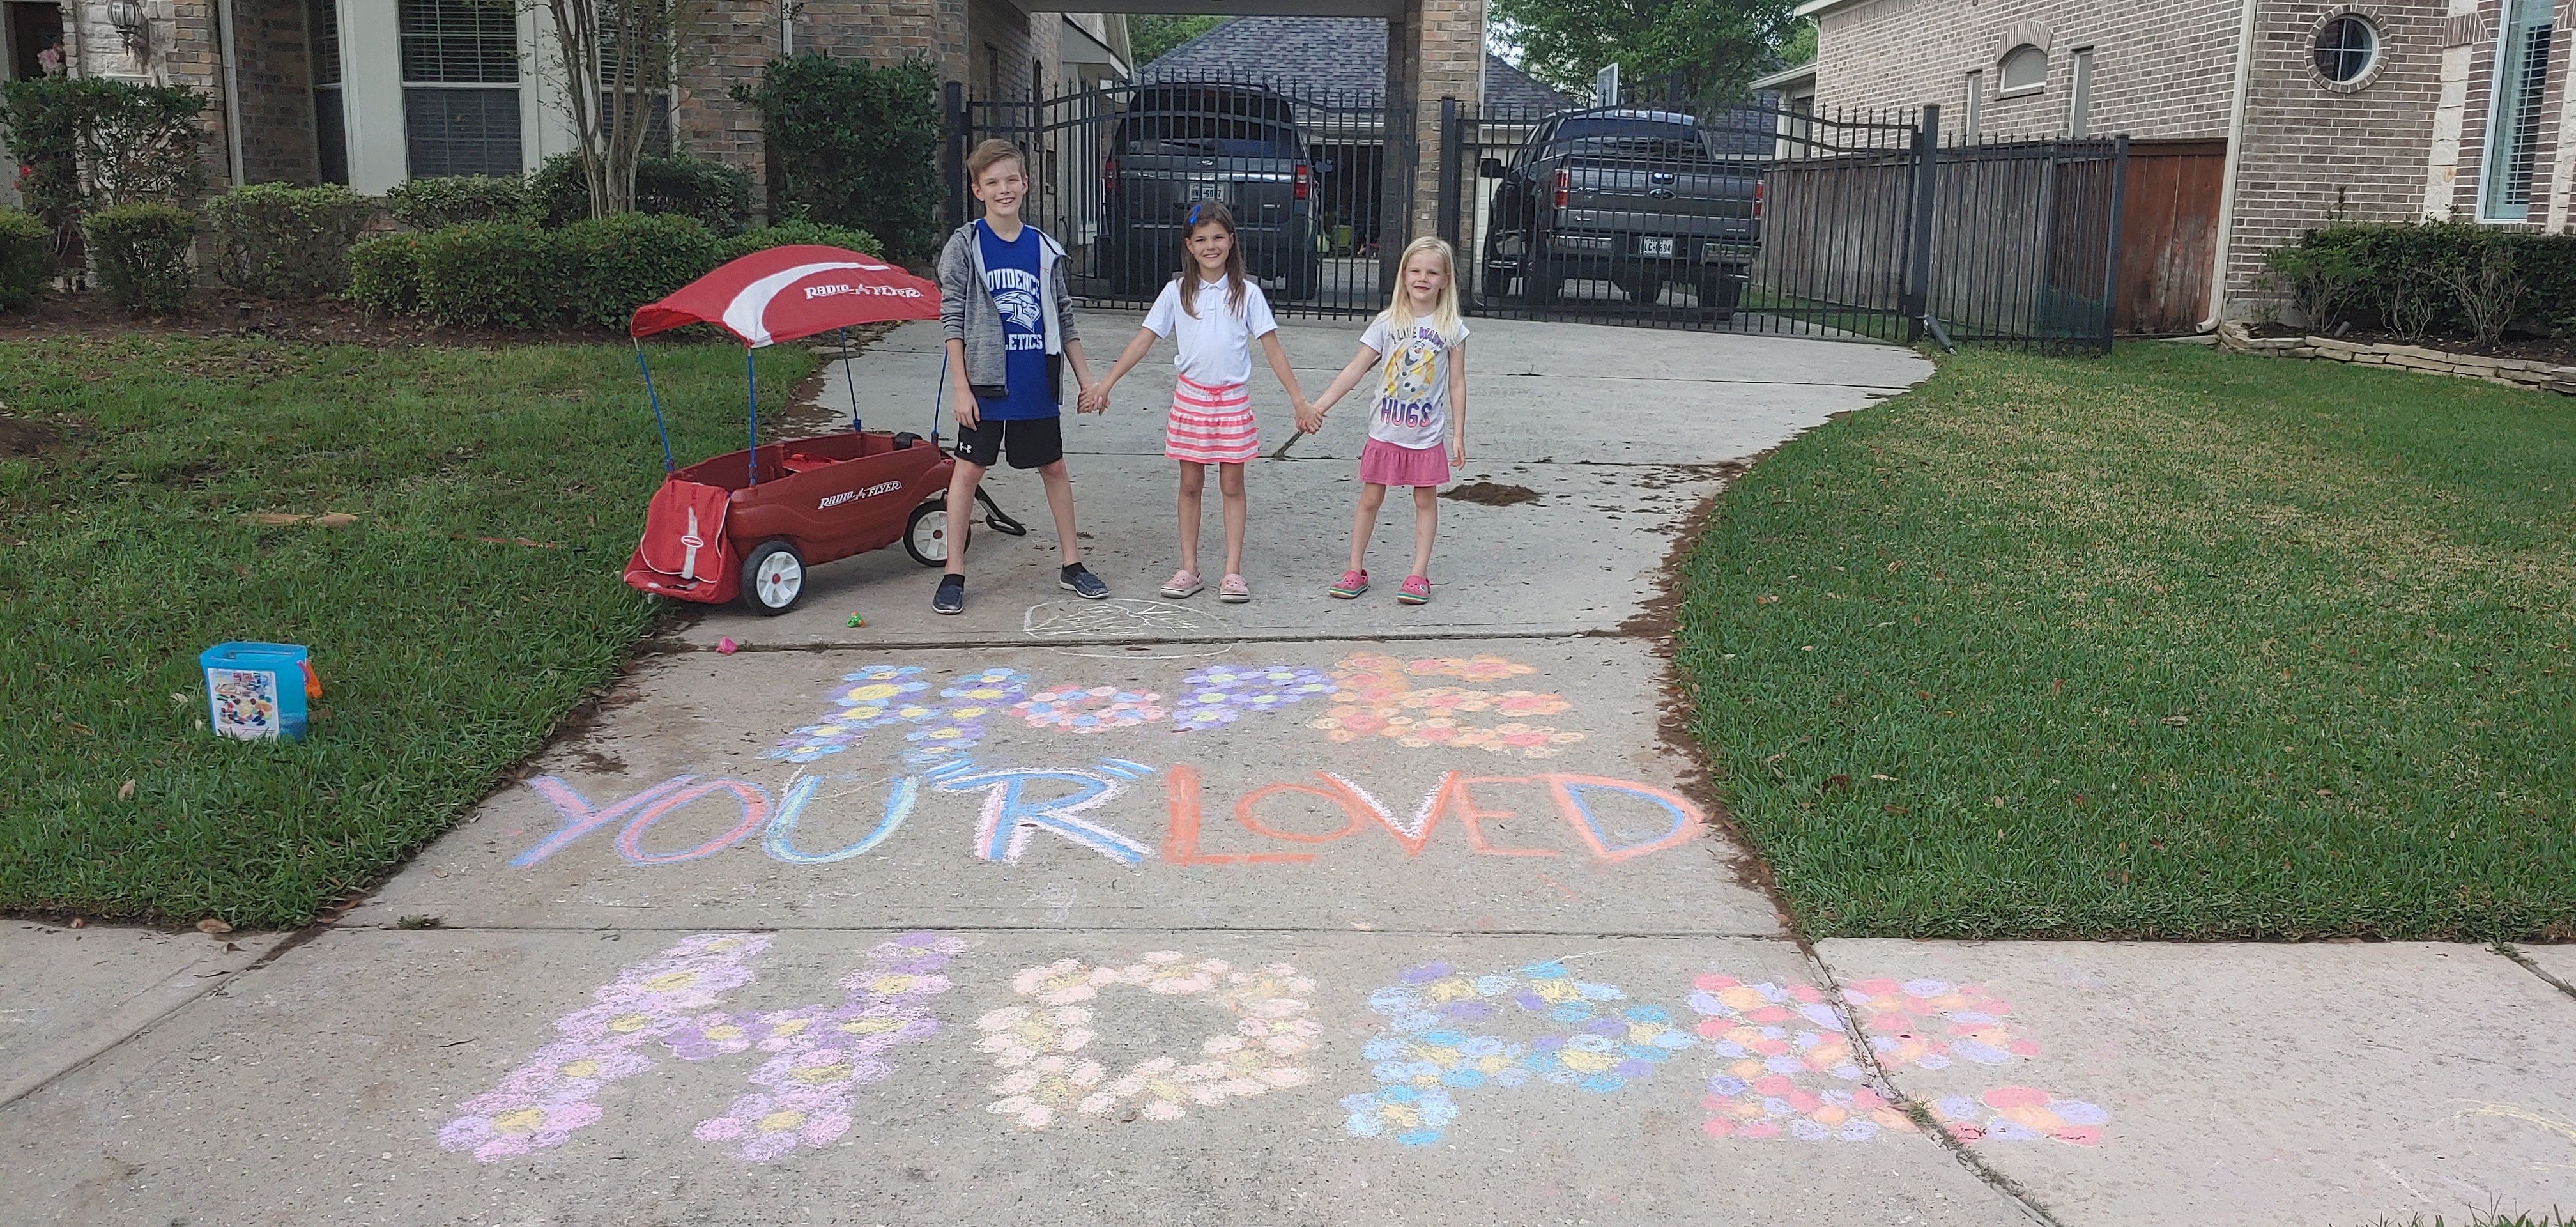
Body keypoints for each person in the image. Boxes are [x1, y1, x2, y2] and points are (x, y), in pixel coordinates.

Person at [1082, 201, 1308, 603]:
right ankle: (1189, 567)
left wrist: (1299, 402)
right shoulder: (1176, 293)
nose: (1210, 246)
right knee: (1190, 484)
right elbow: (1144, 340)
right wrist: (1106, 383)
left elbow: (1273, 350)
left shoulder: (1248, 294)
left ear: (1232, 241)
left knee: (1232, 484)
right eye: (1201, 239)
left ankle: (1232, 572)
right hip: (1191, 403)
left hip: (1232, 403)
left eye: (1218, 237)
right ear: (1188, 245)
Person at [933, 138, 1107, 615]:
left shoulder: (1044, 249)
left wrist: (1087, 379)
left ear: (1026, 184)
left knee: (1053, 467)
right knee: (968, 471)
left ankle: (1072, 564)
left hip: (1035, 380)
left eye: (1012, 180)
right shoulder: (966, 245)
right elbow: (952, 319)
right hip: (986, 384)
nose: (1004, 189)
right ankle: (954, 571)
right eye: (993, 183)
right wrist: (962, 388)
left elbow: (1065, 319)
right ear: (977, 190)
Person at [1301, 236, 1469, 606]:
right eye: (1415, 270)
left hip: (1426, 437)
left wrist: (1458, 433)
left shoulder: (1451, 327)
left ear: (1445, 279)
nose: (1422, 278)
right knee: (1370, 499)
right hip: (1385, 432)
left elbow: (1457, 382)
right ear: (1403, 275)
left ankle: (1418, 574)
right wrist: (1319, 406)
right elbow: (1354, 370)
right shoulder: (1388, 322)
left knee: (1425, 500)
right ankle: (1355, 568)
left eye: (1432, 272)